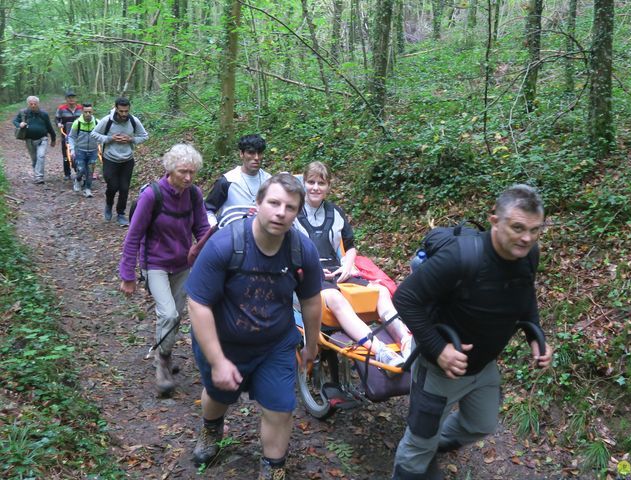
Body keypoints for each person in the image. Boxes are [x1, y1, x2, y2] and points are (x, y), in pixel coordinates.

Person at [391, 184, 554, 480]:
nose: (527, 237)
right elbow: (404, 298)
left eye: (535, 229)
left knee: (481, 424)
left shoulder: (529, 254)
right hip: (439, 369)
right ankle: (418, 459)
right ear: (495, 220)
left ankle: (431, 448)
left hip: (483, 366)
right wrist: (439, 350)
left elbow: (524, 295)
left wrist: (535, 335)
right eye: (518, 227)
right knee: (417, 447)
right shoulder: (459, 257)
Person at [186, 174, 323, 479]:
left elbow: (312, 301)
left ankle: (273, 467)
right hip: (223, 340)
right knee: (218, 395)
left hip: (275, 343)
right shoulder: (225, 245)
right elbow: (198, 304)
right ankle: (211, 429)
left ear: (297, 213)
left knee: (280, 406)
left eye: (290, 207)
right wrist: (218, 360)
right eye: (273, 203)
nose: (280, 212)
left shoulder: (302, 251)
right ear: (257, 203)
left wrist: (312, 346)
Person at [294, 161, 413, 369]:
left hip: (338, 271)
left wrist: (348, 265)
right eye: (311, 182)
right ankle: (381, 352)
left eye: (321, 183)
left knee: (381, 292)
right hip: (308, 274)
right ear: (303, 183)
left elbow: (350, 247)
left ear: (328, 186)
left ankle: (406, 342)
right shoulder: (292, 212)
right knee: (335, 298)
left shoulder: (336, 212)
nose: (315, 187)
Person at [119, 144, 210, 396]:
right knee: (168, 314)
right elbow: (133, 236)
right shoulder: (152, 195)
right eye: (183, 171)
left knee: (175, 317)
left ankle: (164, 353)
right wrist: (127, 275)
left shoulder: (194, 195)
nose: (188, 177)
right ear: (170, 169)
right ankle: (162, 364)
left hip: (183, 265)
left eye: (192, 172)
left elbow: (202, 230)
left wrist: (212, 259)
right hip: (155, 264)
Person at [91, 97, 149, 227]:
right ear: (116, 108)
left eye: (126, 111)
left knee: (124, 188)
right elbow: (93, 134)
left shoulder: (134, 121)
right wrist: (109, 138)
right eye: (121, 111)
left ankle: (121, 214)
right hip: (110, 159)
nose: (124, 114)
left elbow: (144, 136)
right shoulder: (107, 121)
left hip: (127, 160)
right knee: (112, 186)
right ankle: (109, 204)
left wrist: (131, 139)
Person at [204, 134, 271, 227]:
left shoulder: (269, 181)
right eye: (251, 153)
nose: (256, 158)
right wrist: (215, 229)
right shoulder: (227, 181)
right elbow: (207, 210)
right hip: (230, 236)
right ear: (241, 154)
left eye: (259, 153)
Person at [12, 96, 57, 185]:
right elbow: (15, 121)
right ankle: (37, 173)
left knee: (41, 156)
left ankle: (39, 177)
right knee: (34, 159)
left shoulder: (44, 114)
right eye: (31, 104)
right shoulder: (24, 113)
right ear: (28, 104)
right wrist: (19, 124)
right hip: (29, 140)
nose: (33, 106)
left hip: (42, 139)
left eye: (35, 104)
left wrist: (53, 138)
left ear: (38, 104)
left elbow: (49, 127)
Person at [68, 103, 98, 197]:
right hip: (80, 151)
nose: (88, 114)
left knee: (90, 172)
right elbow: (71, 137)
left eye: (90, 112)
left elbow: (104, 134)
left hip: (93, 151)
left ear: (92, 112)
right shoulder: (77, 123)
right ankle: (77, 180)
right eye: (86, 112)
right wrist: (72, 149)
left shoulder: (97, 123)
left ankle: (87, 189)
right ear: (82, 112)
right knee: (81, 170)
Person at [55, 90, 83, 180]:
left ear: (76, 99)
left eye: (73, 97)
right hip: (66, 134)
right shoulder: (61, 108)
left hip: (79, 135)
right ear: (66, 99)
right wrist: (59, 124)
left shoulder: (81, 108)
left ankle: (81, 170)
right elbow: (57, 119)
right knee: (66, 155)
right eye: (69, 98)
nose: (71, 99)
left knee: (80, 152)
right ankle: (67, 173)